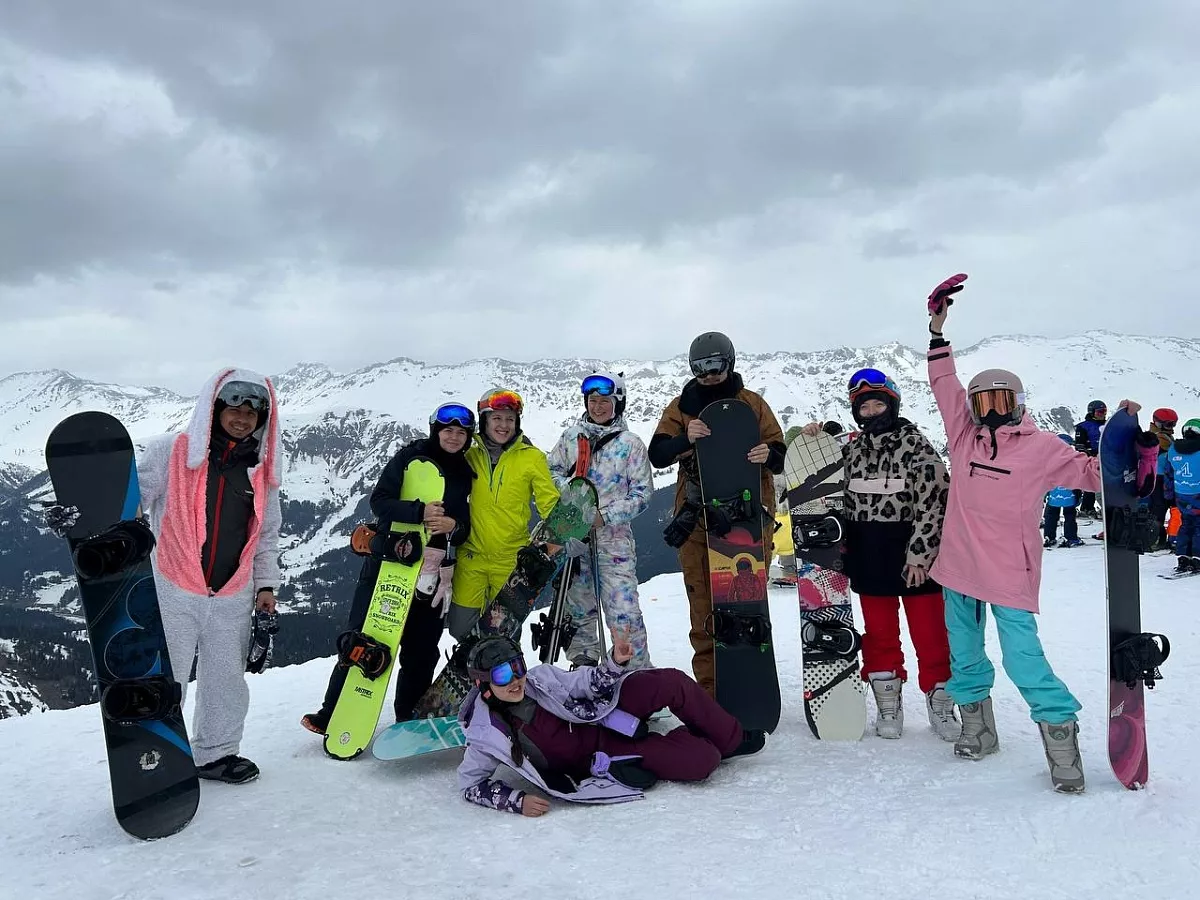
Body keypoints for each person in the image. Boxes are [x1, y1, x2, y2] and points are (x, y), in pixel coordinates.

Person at [924, 277, 1142, 794]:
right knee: (965, 656)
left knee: (1023, 658)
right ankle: (978, 728)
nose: (992, 411)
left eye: (1002, 400)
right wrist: (936, 332)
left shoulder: (1042, 447)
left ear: (1019, 402)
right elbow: (944, 384)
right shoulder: (963, 436)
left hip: (1008, 572)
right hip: (958, 567)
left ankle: (1060, 734)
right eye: (983, 402)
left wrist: (1129, 446)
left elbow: (1094, 475)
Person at [137, 369, 282, 784]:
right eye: (234, 409)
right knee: (165, 679)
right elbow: (134, 502)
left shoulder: (260, 471)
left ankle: (215, 755)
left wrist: (265, 586)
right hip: (174, 584)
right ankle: (152, 757)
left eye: (252, 414)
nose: (242, 418)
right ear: (213, 409)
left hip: (233, 592)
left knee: (225, 681)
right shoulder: (171, 452)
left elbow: (266, 534)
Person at [801, 368, 957, 742]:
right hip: (869, 555)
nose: (871, 412)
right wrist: (809, 441)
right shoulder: (851, 450)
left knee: (931, 635)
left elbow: (935, 504)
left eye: (877, 404)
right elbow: (815, 483)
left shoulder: (916, 446)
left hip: (913, 559)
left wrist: (920, 556)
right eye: (864, 407)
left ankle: (940, 703)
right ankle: (888, 703)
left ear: (892, 404)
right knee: (880, 635)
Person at [301, 403, 475, 734]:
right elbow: (380, 501)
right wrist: (419, 512)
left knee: (421, 650)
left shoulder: (466, 472)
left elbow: (466, 526)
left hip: (432, 574)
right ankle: (331, 712)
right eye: (447, 430)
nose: (454, 437)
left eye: (461, 432)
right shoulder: (410, 458)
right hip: (388, 562)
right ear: (435, 431)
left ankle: (408, 718)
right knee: (363, 638)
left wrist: (454, 525)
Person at [455, 634, 766, 816]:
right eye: (502, 675)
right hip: (605, 755)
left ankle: (730, 738)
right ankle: (701, 737)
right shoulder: (486, 733)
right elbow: (469, 785)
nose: (516, 680)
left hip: (603, 711)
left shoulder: (540, 680)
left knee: (671, 682)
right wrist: (516, 801)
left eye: (518, 667)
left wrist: (614, 662)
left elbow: (585, 683)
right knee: (702, 760)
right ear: (483, 685)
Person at [648, 332, 785, 696]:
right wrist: (685, 440)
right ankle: (710, 692)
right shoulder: (682, 407)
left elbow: (780, 453)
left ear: (729, 363)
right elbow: (658, 454)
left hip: (746, 522)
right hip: (698, 522)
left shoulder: (751, 404)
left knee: (747, 602)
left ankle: (750, 683)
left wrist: (769, 455)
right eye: (700, 368)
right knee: (703, 608)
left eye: (715, 366)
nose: (708, 375)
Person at [547, 372, 655, 668]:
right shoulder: (572, 437)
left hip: (613, 542)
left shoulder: (630, 444)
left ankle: (635, 675)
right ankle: (584, 669)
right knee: (578, 608)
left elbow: (642, 494)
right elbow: (551, 471)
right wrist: (572, 494)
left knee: (624, 611)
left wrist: (604, 516)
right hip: (573, 536)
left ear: (617, 403)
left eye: (605, 401)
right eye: (592, 400)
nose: (597, 407)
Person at [448, 389, 560, 640]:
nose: (503, 425)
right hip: (471, 558)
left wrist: (565, 533)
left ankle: (504, 666)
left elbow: (549, 503)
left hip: (510, 563)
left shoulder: (532, 458)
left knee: (504, 636)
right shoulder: (468, 455)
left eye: (510, 419)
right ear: (484, 421)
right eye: (496, 418)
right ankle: (472, 664)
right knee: (459, 629)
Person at [1164, 418, 1200, 573]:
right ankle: (1197, 558)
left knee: (1185, 524)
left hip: (1181, 494)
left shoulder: (1173, 449)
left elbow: (1168, 474)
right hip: (1198, 494)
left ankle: (1183, 556)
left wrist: (1169, 495)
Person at [1043, 434, 1084, 548]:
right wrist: (1078, 494)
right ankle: (1071, 537)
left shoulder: (1048, 460)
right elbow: (1077, 478)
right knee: (1069, 515)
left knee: (1051, 515)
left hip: (1053, 494)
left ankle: (1049, 537)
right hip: (1069, 495)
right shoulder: (1073, 460)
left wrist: (1044, 493)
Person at [1147, 408, 1179, 551]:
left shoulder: (1165, 436)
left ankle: (1160, 538)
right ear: (1158, 423)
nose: (1171, 427)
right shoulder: (1157, 438)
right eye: (1168, 424)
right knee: (1158, 508)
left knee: (1163, 507)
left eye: (1173, 424)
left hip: (1164, 476)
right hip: (1158, 477)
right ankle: (1154, 539)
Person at [1073, 400, 1107, 518]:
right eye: (1099, 412)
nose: (1103, 414)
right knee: (1091, 482)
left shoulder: (1107, 425)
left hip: (1107, 458)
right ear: (1092, 412)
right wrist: (1089, 454)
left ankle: (1098, 507)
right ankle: (1087, 507)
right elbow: (1079, 445)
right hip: (1092, 458)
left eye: (1104, 411)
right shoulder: (1083, 427)